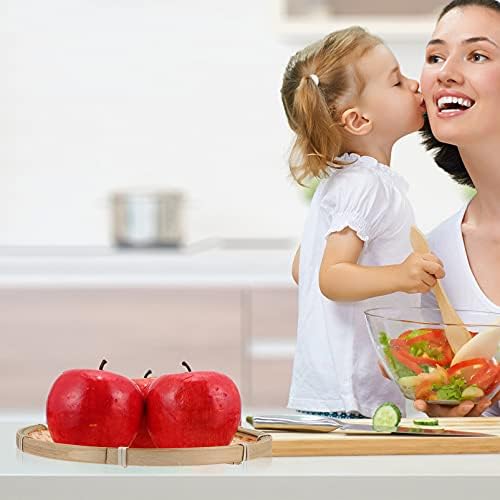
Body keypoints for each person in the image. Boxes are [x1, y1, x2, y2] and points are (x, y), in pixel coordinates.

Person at [281, 27, 444, 418]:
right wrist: (402, 275)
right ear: (358, 120)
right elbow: (330, 277)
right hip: (353, 401)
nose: (414, 84)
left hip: (323, 393)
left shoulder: (344, 181)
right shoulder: (368, 184)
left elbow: (301, 268)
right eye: (396, 80)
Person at [415, 0, 500, 417]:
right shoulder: (435, 257)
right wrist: (444, 405)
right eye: (434, 57)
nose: (445, 72)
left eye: (478, 55)